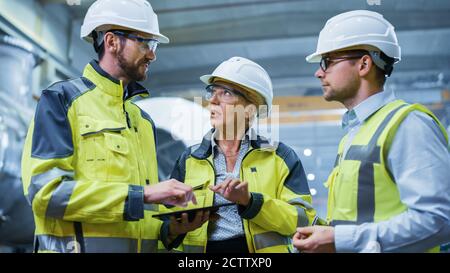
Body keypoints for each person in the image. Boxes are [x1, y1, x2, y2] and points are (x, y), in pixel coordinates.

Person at [21, 0, 199, 253]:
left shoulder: (143, 122)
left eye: (154, 44)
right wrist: (144, 194)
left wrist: (171, 230)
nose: (152, 54)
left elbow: (143, 219)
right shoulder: (62, 100)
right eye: (145, 43)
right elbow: (45, 194)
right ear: (112, 41)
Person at [293, 10, 450, 253]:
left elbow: (440, 220)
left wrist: (340, 240)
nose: (319, 72)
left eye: (329, 61)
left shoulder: (408, 125)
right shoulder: (354, 134)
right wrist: (327, 235)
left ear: (364, 64)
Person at [160, 57, 318, 253]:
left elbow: (303, 220)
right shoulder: (189, 160)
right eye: (212, 92)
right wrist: (174, 229)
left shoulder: (280, 157)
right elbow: (162, 225)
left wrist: (251, 201)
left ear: (250, 110)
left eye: (225, 93)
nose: (213, 100)